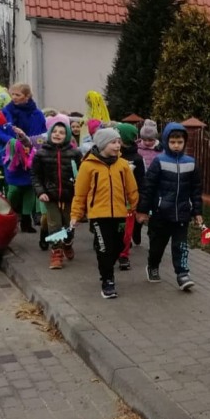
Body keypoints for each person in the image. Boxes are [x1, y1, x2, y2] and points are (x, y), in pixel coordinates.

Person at [70, 128, 139, 298]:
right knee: (104, 249)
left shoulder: (123, 164)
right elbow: (80, 194)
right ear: (102, 144)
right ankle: (107, 280)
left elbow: (132, 189)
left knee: (120, 245)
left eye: (118, 142)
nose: (117, 145)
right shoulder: (87, 165)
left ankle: (106, 262)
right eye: (113, 142)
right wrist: (75, 215)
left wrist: (137, 209)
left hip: (120, 213)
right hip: (98, 215)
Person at [135, 123, 203, 291]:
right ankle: (153, 265)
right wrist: (143, 210)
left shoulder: (191, 163)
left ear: (184, 142)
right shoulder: (159, 161)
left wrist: (197, 211)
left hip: (182, 213)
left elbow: (196, 189)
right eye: (173, 142)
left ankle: (182, 274)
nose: (176, 145)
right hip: (161, 213)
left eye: (180, 142)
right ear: (166, 141)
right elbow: (148, 187)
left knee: (181, 246)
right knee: (157, 246)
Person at [32, 116, 82, 269]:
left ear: (67, 135)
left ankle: (67, 243)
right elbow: (35, 176)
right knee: (55, 225)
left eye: (61, 132)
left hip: (70, 196)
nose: (57, 134)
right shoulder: (41, 154)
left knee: (69, 225)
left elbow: (81, 174)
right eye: (54, 131)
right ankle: (56, 253)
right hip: (50, 196)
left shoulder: (75, 153)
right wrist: (40, 192)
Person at [114, 122, 146, 269]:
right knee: (113, 230)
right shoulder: (111, 155)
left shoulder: (137, 159)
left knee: (126, 231)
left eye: (118, 137)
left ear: (124, 139)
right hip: (111, 200)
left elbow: (141, 182)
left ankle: (123, 255)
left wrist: (140, 204)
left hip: (128, 202)